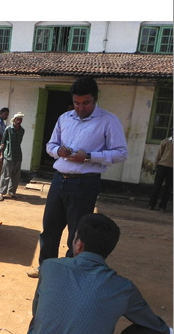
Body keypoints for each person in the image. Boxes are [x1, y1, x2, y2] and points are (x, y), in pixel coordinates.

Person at [23, 213, 173, 334]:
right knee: (150, 332)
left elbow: (37, 313)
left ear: (78, 245)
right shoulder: (122, 288)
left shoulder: (49, 266)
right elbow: (151, 322)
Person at [27, 76, 127, 277]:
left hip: (85, 184)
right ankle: (46, 268)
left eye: (86, 103)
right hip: (59, 180)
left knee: (77, 234)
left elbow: (120, 153)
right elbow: (50, 146)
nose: (80, 108)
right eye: (76, 103)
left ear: (95, 99)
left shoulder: (108, 121)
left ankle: (70, 273)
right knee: (50, 229)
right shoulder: (64, 118)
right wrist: (59, 152)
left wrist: (89, 156)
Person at [0, 112, 25, 201]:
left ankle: (11, 192)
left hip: (18, 155)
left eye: (21, 120)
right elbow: (2, 143)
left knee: (16, 176)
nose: (19, 121)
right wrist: (1, 154)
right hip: (8, 155)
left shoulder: (22, 130)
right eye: (18, 119)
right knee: (5, 174)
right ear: (14, 120)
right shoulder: (8, 129)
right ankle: (1, 193)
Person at [148, 130, 173, 213]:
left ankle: (163, 206)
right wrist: (155, 166)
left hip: (172, 169)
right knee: (157, 186)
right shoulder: (165, 142)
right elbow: (159, 155)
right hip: (162, 166)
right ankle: (151, 204)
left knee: (168, 188)